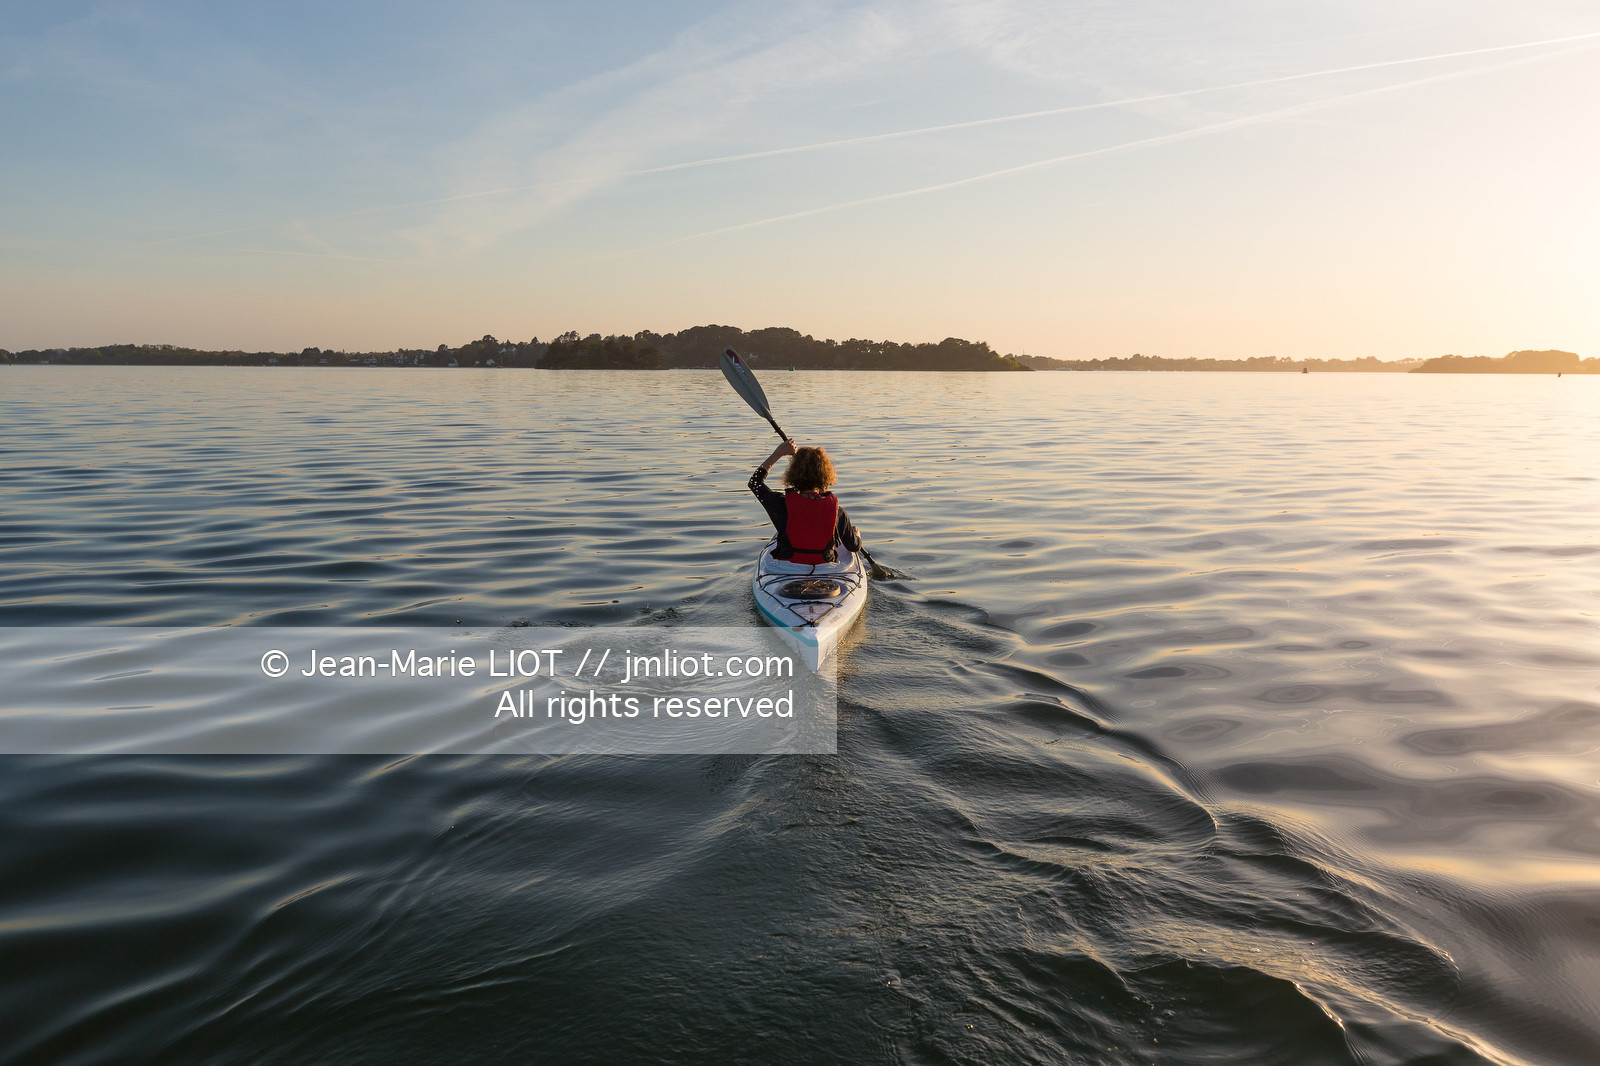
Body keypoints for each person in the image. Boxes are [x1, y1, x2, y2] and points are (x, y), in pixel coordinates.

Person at [748, 440, 862, 564]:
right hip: (824, 570)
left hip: (787, 569)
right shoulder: (838, 513)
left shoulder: (780, 505)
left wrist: (778, 453)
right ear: (826, 475)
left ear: (792, 473)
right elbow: (853, 547)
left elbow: (755, 483)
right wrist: (857, 536)